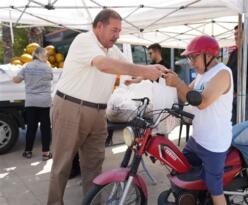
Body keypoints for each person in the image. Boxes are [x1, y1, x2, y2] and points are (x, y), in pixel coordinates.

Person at [47, 9, 165, 205]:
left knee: (93, 165)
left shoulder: (111, 49)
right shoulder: (84, 40)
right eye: (114, 30)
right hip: (70, 106)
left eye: (119, 31)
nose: (117, 35)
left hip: (99, 112)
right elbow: (103, 65)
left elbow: (128, 67)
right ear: (99, 26)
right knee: (62, 164)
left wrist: (158, 71)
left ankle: (94, 202)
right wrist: (144, 70)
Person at [165, 35, 233, 205]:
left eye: (193, 57)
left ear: (208, 55)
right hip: (197, 140)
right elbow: (188, 95)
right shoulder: (202, 75)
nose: (191, 62)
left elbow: (201, 102)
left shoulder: (222, 73)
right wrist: (171, 83)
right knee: (179, 169)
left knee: (215, 188)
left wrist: (178, 82)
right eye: (190, 57)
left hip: (214, 144)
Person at [12, 47, 52, 161]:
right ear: (43, 55)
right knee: (45, 128)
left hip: (31, 102)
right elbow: (51, 78)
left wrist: (11, 77)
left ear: (34, 55)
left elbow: (17, 80)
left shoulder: (26, 66)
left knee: (31, 128)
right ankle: (45, 153)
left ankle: (28, 151)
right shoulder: (47, 67)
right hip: (45, 102)